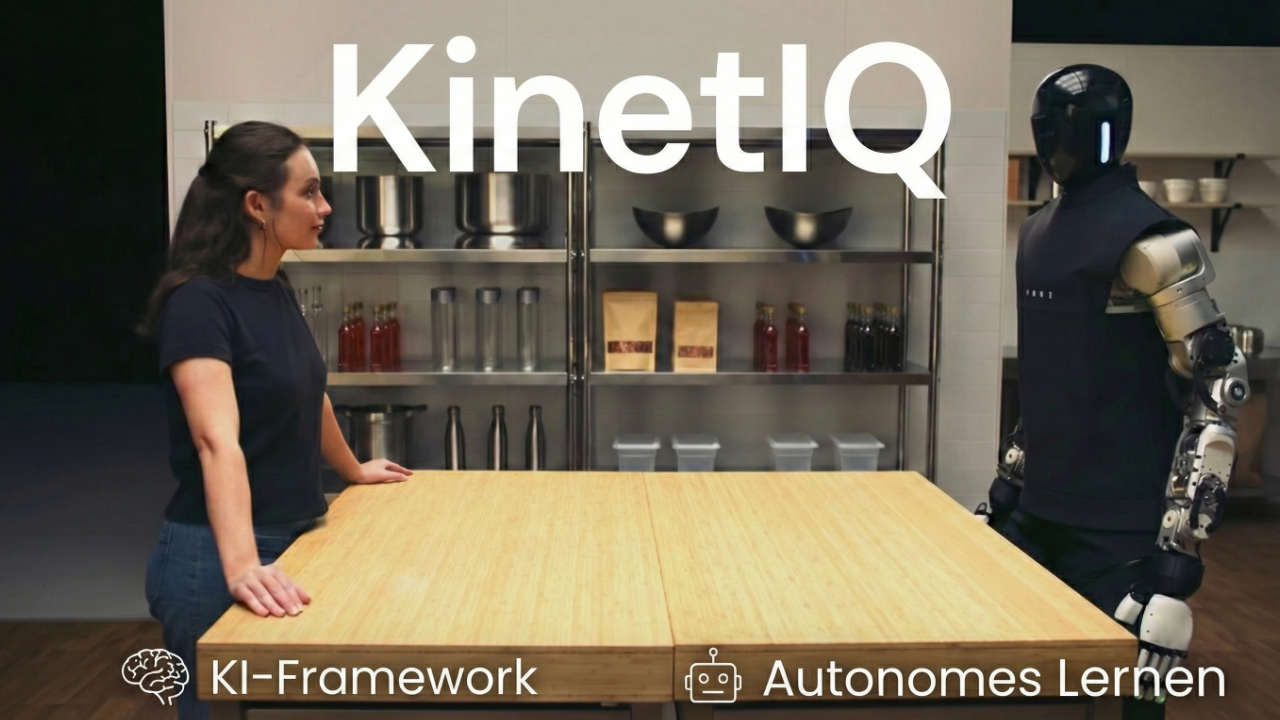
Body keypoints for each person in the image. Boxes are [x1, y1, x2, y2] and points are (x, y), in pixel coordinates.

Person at [977, 66, 1248, 720]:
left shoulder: (1153, 240)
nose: (1056, 143)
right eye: (1047, 128)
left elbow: (1219, 384)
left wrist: (1182, 543)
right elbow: (1048, 376)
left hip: (1121, 523)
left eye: (1068, 128)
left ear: (1109, 132)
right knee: (1023, 694)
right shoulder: (1038, 232)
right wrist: (1008, 486)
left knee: (1134, 691)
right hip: (1039, 508)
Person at [137, 121, 413, 720]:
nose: (325, 206)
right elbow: (216, 441)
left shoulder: (275, 286)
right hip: (215, 558)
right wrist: (241, 565)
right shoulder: (199, 303)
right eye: (309, 192)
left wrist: (352, 470)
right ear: (257, 206)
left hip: (292, 541)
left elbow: (307, 392)